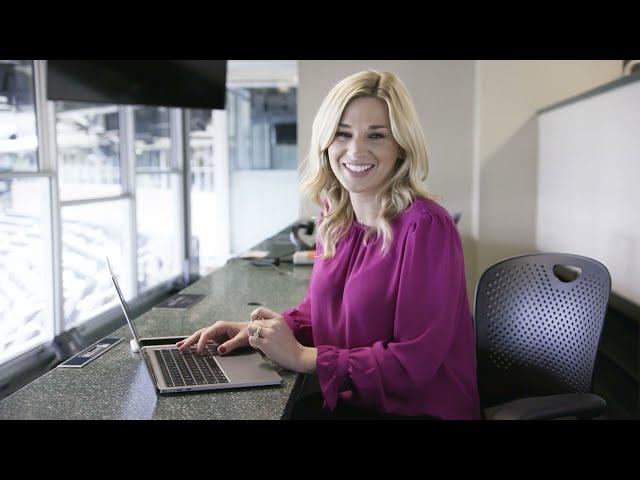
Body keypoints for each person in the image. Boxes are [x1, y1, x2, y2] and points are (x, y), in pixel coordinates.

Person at [177, 70, 481, 420]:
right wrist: (259, 333)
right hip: (358, 403)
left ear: (401, 145)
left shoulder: (426, 227)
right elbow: (322, 312)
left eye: (377, 136)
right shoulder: (335, 216)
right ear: (326, 141)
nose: (356, 150)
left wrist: (302, 357)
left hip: (419, 412)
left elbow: (413, 364)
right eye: (342, 134)